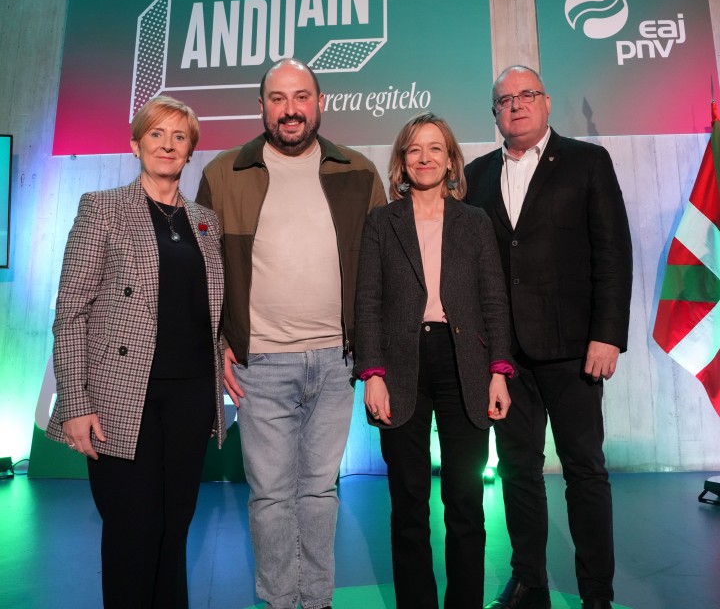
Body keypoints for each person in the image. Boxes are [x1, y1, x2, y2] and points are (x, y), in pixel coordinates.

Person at [195, 57, 386, 609]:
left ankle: (318, 599)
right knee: (271, 497)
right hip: (259, 364)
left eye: (301, 97)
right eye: (278, 99)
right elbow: (204, 273)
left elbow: (380, 273)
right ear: (261, 107)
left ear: (320, 103)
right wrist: (218, 345)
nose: (291, 109)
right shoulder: (224, 173)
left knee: (320, 491)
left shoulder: (358, 171)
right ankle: (280, 600)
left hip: (335, 362)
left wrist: (372, 356)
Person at [46, 95, 226, 608]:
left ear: (190, 149)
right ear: (135, 144)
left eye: (179, 137)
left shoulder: (205, 222)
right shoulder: (101, 208)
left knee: (176, 525)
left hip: (191, 396)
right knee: (132, 529)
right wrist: (75, 403)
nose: (167, 145)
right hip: (123, 397)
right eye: (156, 135)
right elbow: (71, 312)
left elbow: (210, 309)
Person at [465, 66, 633, 609]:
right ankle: (529, 581)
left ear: (547, 102)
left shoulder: (587, 162)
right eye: (505, 100)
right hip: (506, 356)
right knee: (518, 471)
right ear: (494, 113)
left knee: (585, 470)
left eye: (527, 95)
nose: (516, 105)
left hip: (575, 350)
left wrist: (607, 335)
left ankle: (597, 594)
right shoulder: (475, 175)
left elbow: (613, 253)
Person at [353, 112, 514, 608]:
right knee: (408, 502)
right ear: (403, 161)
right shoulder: (382, 222)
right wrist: (372, 374)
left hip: (464, 361)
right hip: (401, 365)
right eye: (414, 149)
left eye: (435, 148)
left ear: (450, 161)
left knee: (465, 500)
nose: (425, 158)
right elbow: (367, 301)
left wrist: (499, 371)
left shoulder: (475, 221)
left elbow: (493, 299)